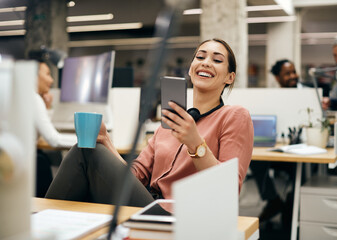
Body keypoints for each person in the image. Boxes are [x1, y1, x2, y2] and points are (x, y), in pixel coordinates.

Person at [45, 38, 254, 207]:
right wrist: (107, 143)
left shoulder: (234, 116)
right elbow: (136, 175)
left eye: (217, 60)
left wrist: (195, 144)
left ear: (230, 77)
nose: (206, 62)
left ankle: (41, 226)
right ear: (191, 69)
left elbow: (228, 190)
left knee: (85, 153)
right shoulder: (170, 122)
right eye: (200, 56)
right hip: (147, 203)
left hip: (183, 214)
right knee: (86, 147)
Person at [249, 59, 298, 227]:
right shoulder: (273, 97)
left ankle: (292, 204)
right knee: (255, 160)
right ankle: (272, 200)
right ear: (277, 78)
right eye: (287, 73)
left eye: (294, 71)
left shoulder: (307, 93)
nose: (293, 76)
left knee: (301, 170)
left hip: (299, 150)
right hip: (278, 147)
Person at [34, 61, 76, 197]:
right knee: (42, 161)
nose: (51, 80)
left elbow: (41, 128)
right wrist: (88, 140)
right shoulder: (34, 99)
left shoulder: (29, 97)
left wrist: (47, 106)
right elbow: (54, 140)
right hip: (27, 162)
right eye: (47, 74)